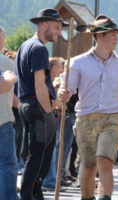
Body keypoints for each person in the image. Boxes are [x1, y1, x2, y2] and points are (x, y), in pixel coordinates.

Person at [58, 14, 118, 200]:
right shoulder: (77, 63)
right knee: (89, 165)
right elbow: (68, 89)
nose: (116, 38)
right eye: (112, 34)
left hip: (112, 118)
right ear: (99, 36)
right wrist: (64, 93)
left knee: (105, 162)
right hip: (86, 119)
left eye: (117, 34)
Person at [16, 8, 68, 200]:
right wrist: (49, 111)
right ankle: (28, 196)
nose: (58, 32)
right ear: (43, 24)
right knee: (38, 158)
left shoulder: (25, 46)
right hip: (37, 108)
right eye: (56, 27)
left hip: (27, 105)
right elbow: (39, 85)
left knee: (36, 156)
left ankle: (35, 193)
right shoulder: (39, 48)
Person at [42, 57, 74, 190]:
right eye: (60, 65)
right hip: (50, 118)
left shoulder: (49, 80)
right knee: (53, 148)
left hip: (54, 117)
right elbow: (51, 103)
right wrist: (59, 101)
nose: (62, 68)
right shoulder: (48, 81)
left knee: (56, 148)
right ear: (53, 67)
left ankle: (52, 178)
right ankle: (50, 180)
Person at [0, 25, 20, 200]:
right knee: (7, 164)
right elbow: (3, 87)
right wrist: (11, 77)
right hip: (2, 120)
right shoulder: (5, 62)